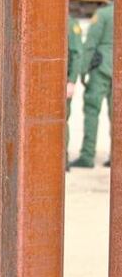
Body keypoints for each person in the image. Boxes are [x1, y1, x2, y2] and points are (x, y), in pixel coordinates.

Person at [74, 0, 115, 169]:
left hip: (102, 68)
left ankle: (88, 155)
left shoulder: (103, 15)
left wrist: (82, 70)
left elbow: (90, 44)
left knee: (92, 111)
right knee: (117, 115)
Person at [66, 13, 83, 168]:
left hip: (62, 82)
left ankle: (61, 159)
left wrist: (71, 81)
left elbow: (77, 54)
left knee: (61, 120)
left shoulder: (70, 23)